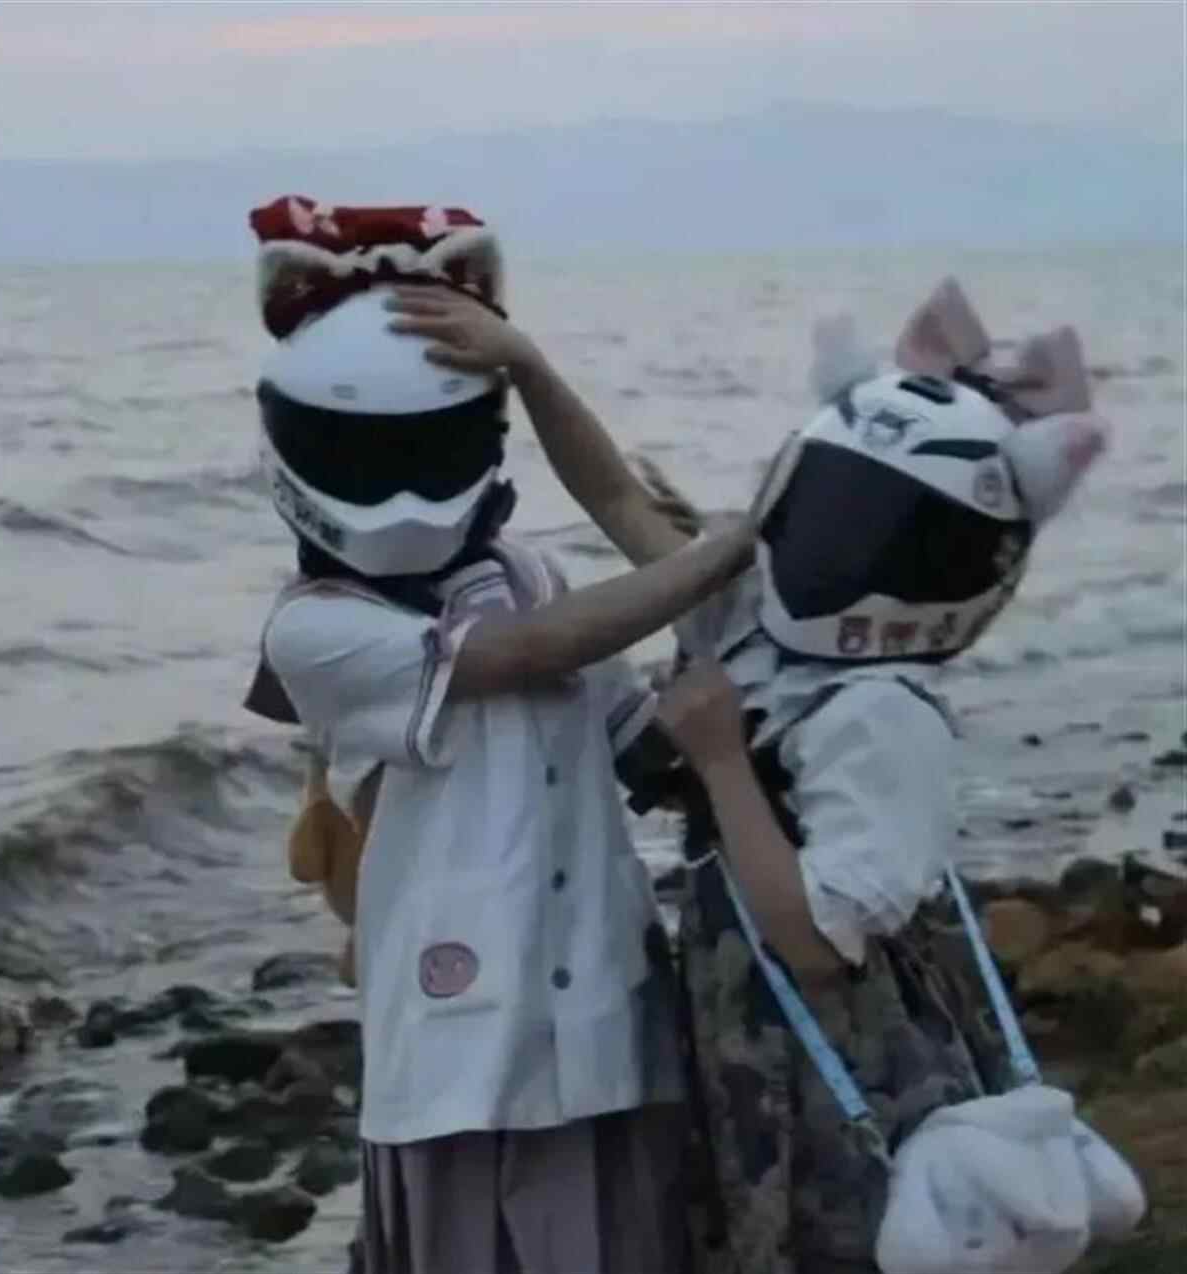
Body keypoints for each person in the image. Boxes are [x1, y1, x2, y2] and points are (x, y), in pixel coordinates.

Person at [390, 278, 1109, 1273]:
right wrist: (527, 367)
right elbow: (617, 500)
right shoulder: (755, 619)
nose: (839, 540)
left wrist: (722, 759)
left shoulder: (883, 714)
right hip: (757, 1027)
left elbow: (817, 942)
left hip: (851, 1054)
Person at [244, 197, 755, 1274]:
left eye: (426, 446)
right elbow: (531, 651)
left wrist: (752, 709)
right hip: (461, 1058)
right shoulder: (315, 631)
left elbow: (635, 736)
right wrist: (719, 553)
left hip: (604, 1020)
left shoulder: (523, 570)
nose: (400, 480)